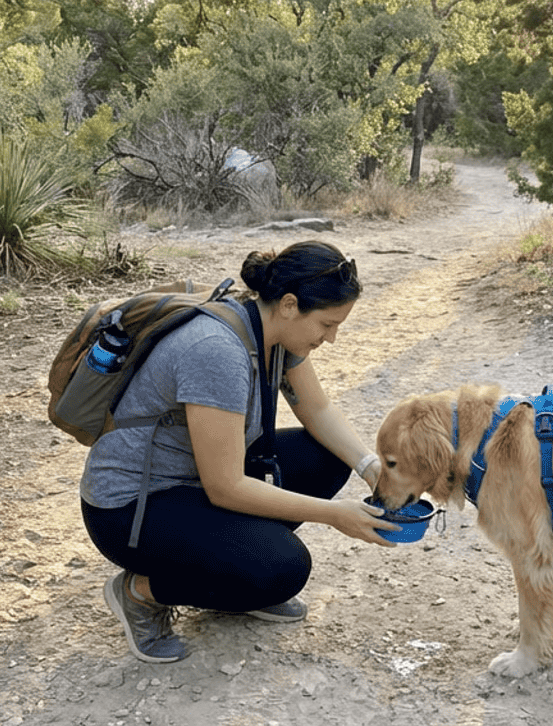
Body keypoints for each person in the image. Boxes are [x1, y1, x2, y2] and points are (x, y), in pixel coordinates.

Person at [79, 240, 395, 663]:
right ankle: (140, 593)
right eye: (326, 324)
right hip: (131, 508)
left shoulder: (276, 335)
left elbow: (317, 411)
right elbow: (226, 487)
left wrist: (371, 469)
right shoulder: (217, 350)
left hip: (195, 482)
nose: (332, 338)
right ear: (288, 304)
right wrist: (337, 515)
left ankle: (237, 570)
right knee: (284, 569)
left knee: (330, 455)